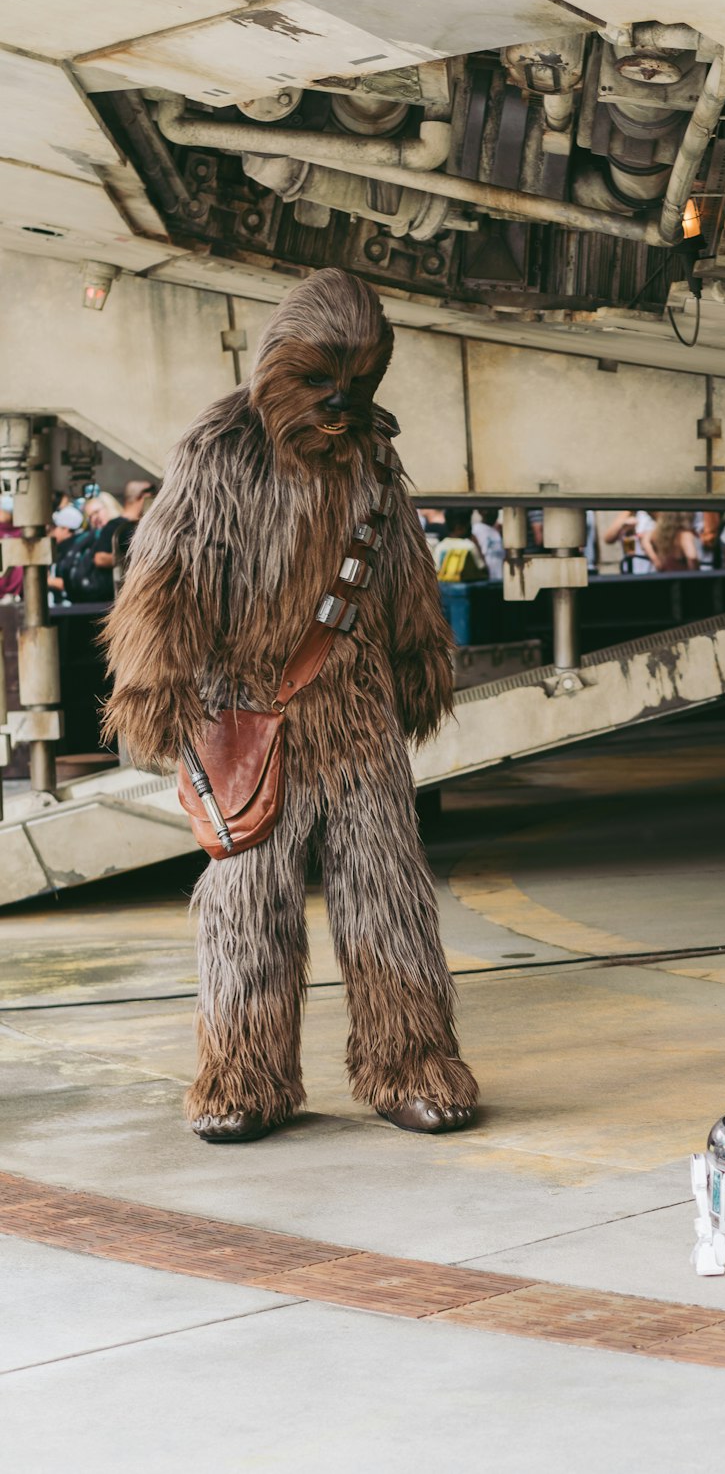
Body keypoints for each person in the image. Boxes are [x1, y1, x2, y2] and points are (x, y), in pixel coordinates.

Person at [102, 267, 478, 1143]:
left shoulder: (372, 456)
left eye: (359, 383)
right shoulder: (219, 450)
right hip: (250, 708)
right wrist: (156, 682)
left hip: (356, 709)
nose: (342, 403)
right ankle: (243, 1077)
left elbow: (401, 567)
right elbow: (166, 574)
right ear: (276, 364)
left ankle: (411, 1062)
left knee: (388, 895)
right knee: (246, 904)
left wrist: (419, 653)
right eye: (319, 381)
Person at [92, 479, 154, 578]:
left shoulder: (146, 525)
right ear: (142, 496)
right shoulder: (115, 526)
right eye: (152, 494)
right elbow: (100, 558)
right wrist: (136, 560)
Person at [434, 509, 488, 582]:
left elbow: (436, 570)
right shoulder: (470, 546)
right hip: (469, 590)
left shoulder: (440, 546)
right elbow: (483, 569)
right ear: (461, 527)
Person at [471, 507, 504, 581]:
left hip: (501, 580)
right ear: (480, 511)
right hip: (487, 581)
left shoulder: (499, 531)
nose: (493, 513)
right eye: (489, 509)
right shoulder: (475, 530)